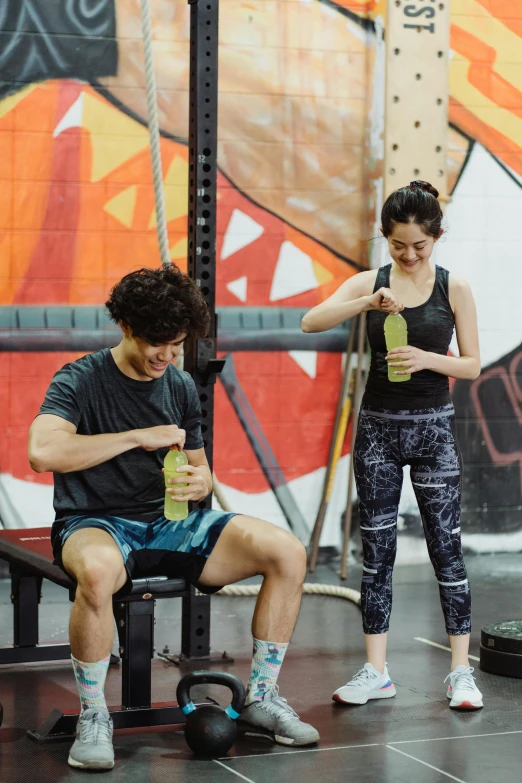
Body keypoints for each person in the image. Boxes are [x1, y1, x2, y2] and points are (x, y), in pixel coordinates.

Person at [28, 265, 319, 771]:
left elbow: (202, 471)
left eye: (177, 343)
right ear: (126, 327)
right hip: (95, 523)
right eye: (156, 343)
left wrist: (201, 483)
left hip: (170, 522)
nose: (166, 355)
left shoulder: (181, 385)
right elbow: (42, 451)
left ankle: (261, 698)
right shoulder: (79, 378)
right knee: (96, 574)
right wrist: (135, 437)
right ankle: (94, 716)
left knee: (288, 552)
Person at [302, 181, 483, 711]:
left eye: (419, 246)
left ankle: (459, 672)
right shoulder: (372, 281)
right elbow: (311, 321)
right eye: (398, 245)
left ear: (436, 238)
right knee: (376, 555)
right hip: (378, 432)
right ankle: (376, 671)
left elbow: (471, 364)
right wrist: (366, 301)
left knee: (446, 550)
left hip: (433, 431)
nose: (407, 255)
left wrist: (428, 359)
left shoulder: (455, 288)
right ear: (386, 238)